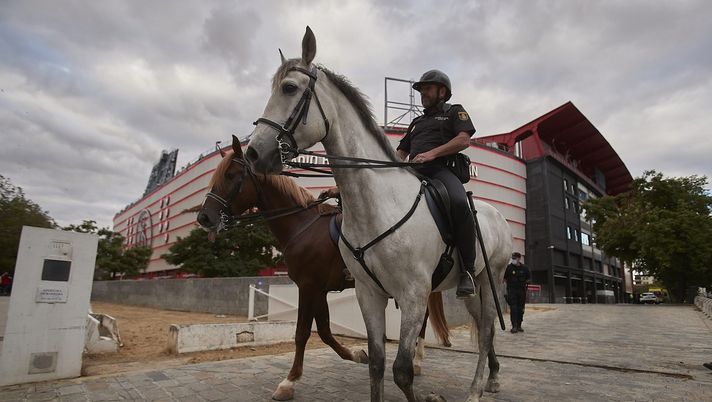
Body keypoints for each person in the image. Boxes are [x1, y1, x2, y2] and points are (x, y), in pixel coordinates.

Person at [396, 69, 478, 298]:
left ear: (442, 92)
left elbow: (464, 139)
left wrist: (432, 154)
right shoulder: (416, 122)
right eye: (421, 89)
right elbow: (401, 152)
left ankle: (468, 271)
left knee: (460, 204)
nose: (423, 92)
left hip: (442, 170)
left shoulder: (454, 111)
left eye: (428, 88)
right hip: (414, 172)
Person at [504, 252, 530, 333]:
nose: (513, 260)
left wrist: (526, 283)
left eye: (515, 258)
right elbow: (504, 278)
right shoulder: (509, 268)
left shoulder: (525, 268)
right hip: (512, 291)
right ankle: (514, 326)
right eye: (513, 258)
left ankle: (519, 325)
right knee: (513, 308)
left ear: (519, 258)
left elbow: (529, 278)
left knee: (520, 309)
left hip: (522, 291)